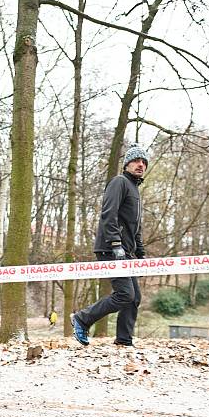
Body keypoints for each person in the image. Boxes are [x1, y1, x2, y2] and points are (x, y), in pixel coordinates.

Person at [71, 143, 147, 347]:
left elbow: (135, 226)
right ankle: (82, 318)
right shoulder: (119, 182)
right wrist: (116, 244)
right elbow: (108, 214)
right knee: (125, 294)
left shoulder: (135, 191)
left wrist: (140, 253)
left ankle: (124, 340)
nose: (140, 165)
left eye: (143, 162)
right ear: (126, 164)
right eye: (136, 161)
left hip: (127, 252)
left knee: (134, 297)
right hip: (111, 248)